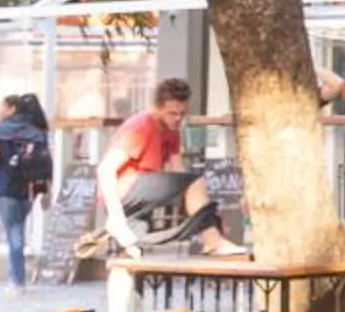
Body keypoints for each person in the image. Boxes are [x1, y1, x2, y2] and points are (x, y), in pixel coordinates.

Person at [104, 77, 246, 257]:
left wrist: (205, 214)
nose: (178, 118)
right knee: (194, 181)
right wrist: (115, 215)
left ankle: (212, 236)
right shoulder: (141, 127)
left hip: (145, 192)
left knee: (131, 254)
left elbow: (178, 172)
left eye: (182, 113)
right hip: (124, 191)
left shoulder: (171, 130)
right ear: (158, 107)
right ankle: (213, 241)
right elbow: (105, 170)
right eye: (172, 113)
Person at [0, 93, 53, 286]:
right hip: (29, 189)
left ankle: (17, 280)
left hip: (5, 188)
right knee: (18, 228)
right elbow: (46, 162)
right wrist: (47, 190)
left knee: (14, 232)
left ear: (12, 108)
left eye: (2, 106)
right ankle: (16, 275)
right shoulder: (36, 132)